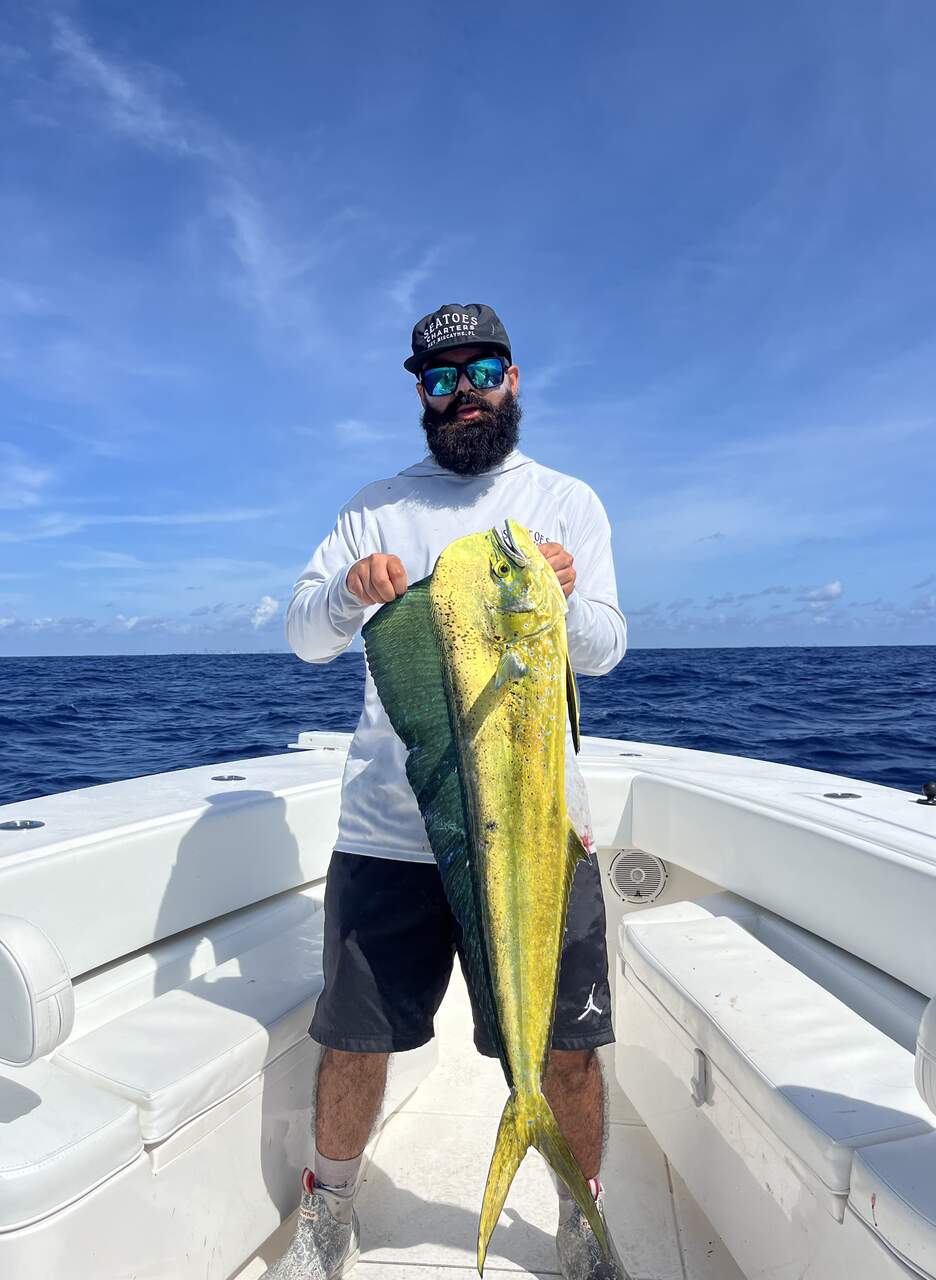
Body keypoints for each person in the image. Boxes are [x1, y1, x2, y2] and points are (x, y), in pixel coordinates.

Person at [274, 303, 628, 1280]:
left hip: (540, 832)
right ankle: (328, 1213)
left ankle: (577, 1216)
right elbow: (305, 632)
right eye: (439, 380)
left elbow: (604, 645)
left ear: (512, 378)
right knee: (354, 1041)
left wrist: (560, 595)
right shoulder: (376, 504)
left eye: (481, 372)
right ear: (422, 395)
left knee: (567, 1051)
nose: (462, 392)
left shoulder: (569, 502)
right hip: (390, 832)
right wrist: (350, 589)